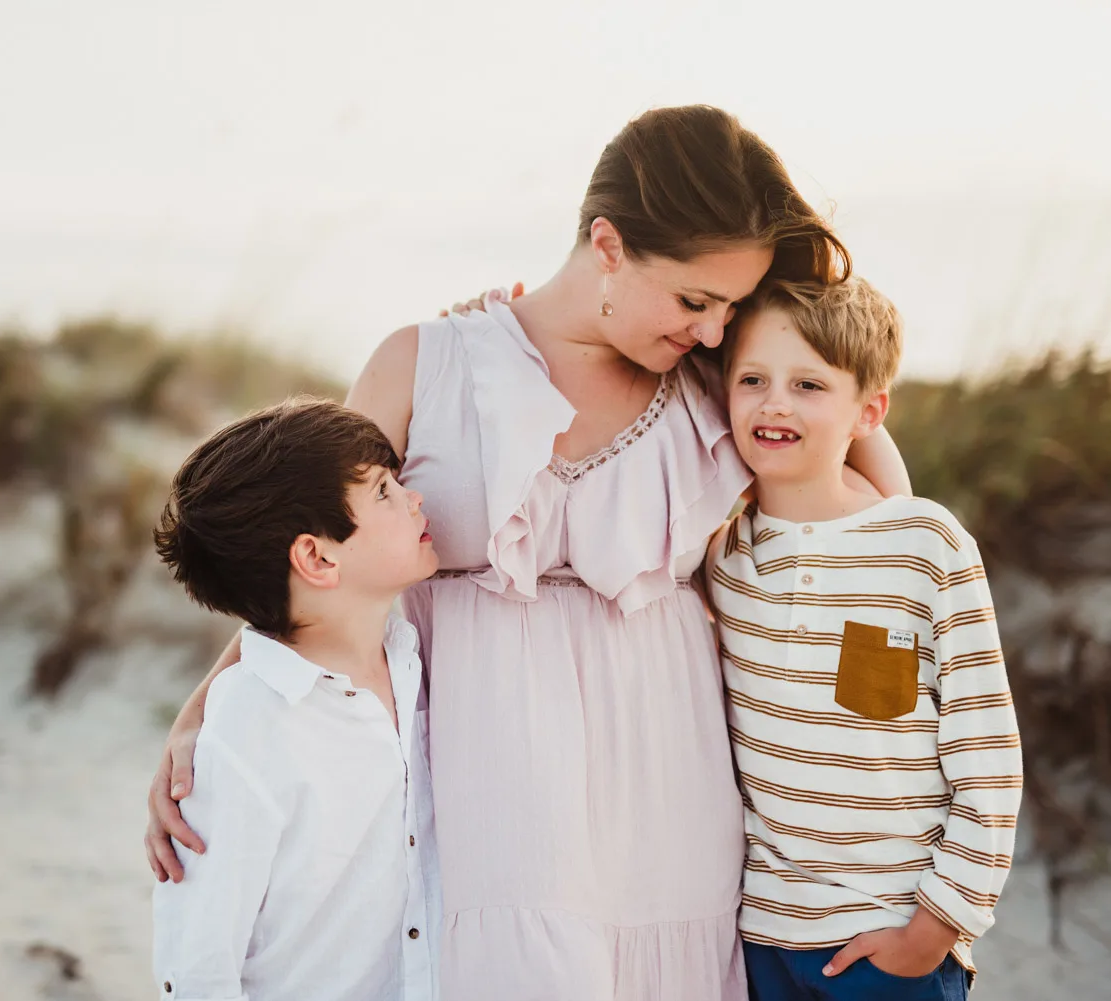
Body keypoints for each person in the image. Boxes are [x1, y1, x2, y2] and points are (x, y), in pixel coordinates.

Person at [147, 105, 911, 1000]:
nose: (712, 330)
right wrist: (203, 710)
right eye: (696, 301)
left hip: (672, 770)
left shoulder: (717, 383)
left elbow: (865, 471)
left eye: (732, 307)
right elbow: (313, 555)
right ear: (609, 246)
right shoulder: (429, 362)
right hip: (490, 767)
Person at [706, 278, 1022, 1000]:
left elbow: (988, 755)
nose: (774, 402)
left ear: (869, 412)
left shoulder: (924, 543)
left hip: (891, 936)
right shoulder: (724, 554)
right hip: (760, 939)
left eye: (809, 384)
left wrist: (936, 928)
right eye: (752, 379)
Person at [150, 398, 442, 1001]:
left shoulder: (414, 659)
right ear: (316, 557)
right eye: (385, 491)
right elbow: (198, 963)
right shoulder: (248, 728)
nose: (414, 496)